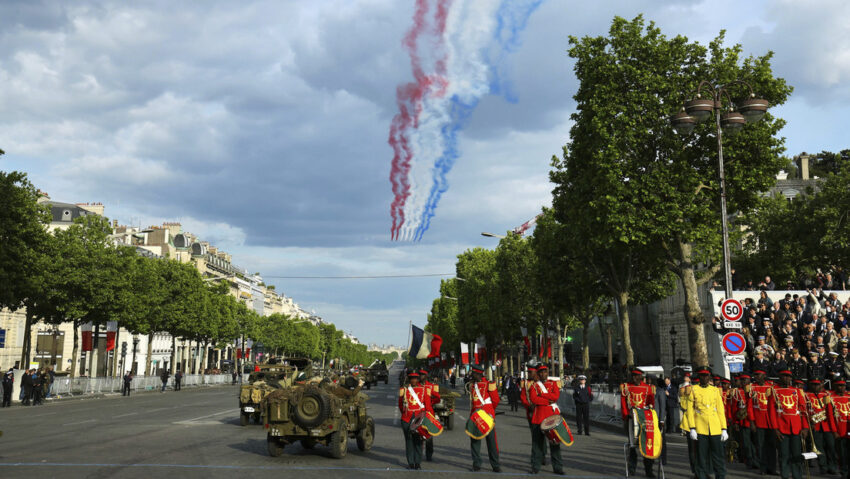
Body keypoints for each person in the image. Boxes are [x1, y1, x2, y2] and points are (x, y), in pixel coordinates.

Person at [687, 367, 727, 479]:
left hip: (715, 427)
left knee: (718, 456)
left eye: (706, 375)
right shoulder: (693, 390)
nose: (704, 378)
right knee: (701, 457)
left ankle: (721, 476)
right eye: (702, 375)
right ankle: (701, 476)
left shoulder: (715, 390)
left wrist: (724, 428)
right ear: (699, 377)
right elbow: (690, 410)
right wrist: (692, 428)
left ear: (709, 377)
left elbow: (720, 410)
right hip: (700, 427)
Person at [621, 368, 659, 477]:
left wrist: (650, 411)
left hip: (644, 419)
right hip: (631, 419)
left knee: (648, 443)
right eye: (634, 376)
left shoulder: (648, 387)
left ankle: (649, 470)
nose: (635, 378)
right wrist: (626, 415)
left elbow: (651, 403)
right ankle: (632, 468)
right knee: (633, 445)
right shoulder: (626, 387)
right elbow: (623, 403)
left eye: (637, 377)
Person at [770, 369, 809, 479]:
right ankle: (785, 476)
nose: (787, 378)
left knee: (797, 455)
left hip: (796, 428)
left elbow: (803, 410)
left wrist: (805, 427)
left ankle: (797, 476)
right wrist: (775, 429)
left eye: (789, 377)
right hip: (782, 427)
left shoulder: (796, 391)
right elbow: (771, 412)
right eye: (784, 376)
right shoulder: (773, 391)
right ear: (779, 377)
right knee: (784, 455)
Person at [529, 364, 564, 475]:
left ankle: (558, 467)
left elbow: (555, 397)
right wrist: (547, 400)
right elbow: (534, 399)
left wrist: (542, 396)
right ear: (538, 374)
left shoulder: (553, 384)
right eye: (541, 372)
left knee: (555, 443)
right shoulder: (533, 386)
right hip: (538, 417)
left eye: (545, 372)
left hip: (551, 417)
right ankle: (535, 466)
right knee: (537, 445)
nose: (544, 374)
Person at [467, 364, 500, 472]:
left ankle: (495, 465)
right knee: (475, 440)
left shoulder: (489, 384)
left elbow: (495, 400)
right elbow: (473, 403)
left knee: (491, 441)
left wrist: (490, 412)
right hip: (476, 416)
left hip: (487, 416)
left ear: (478, 374)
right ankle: (476, 463)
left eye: (473, 373)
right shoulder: (472, 385)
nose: (471, 375)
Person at [399, 370, 430, 470]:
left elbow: (428, 405)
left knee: (418, 442)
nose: (413, 380)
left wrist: (428, 418)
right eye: (411, 378)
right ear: (409, 379)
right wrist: (405, 414)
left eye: (415, 378)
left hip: (419, 419)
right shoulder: (404, 389)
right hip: (407, 418)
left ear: (417, 379)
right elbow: (400, 405)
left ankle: (418, 462)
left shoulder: (424, 389)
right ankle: (411, 462)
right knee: (409, 441)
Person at [749, 369, 778, 475]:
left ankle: (772, 468)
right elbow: (750, 407)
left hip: (770, 421)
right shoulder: (752, 388)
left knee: (771, 446)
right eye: (755, 374)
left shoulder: (771, 387)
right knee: (761, 446)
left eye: (758, 374)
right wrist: (752, 422)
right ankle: (763, 468)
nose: (756, 376)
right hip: (759, 421)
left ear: (764, 375)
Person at [805, 378, 837, 475]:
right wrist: (810, 422)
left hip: (827, 425)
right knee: (819, 448)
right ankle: (823, 467)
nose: (815, 386)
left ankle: (832, 467)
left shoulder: (826, 395)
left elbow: (830, 412)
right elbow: (805, 411)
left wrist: (833, 428)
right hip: (815, 425)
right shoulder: (806, 395)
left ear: (821, 385)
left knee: (831, 446)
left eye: (817, 384)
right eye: (813, 384)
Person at [830, 380, 850, 478]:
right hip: (840, 430)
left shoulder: (849, 397)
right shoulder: (830, 398)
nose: (841, 388)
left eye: (842, 386)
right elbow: (830, 417)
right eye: (839, 386)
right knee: (842, 454)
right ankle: (844, 472)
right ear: (835, 386)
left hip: (849, 429)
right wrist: (834, 431)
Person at [419, 368, 439, 462]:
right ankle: (418, 453)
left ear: (426, 376)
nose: (420, 377)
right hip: (419, 413)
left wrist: (431, 402)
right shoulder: (416, 386)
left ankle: (429, 454)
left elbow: (437, 397)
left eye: (422, 375)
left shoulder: (430, 386)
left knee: (429, 436)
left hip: (429, 413)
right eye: (419, 375)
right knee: (419, 434)